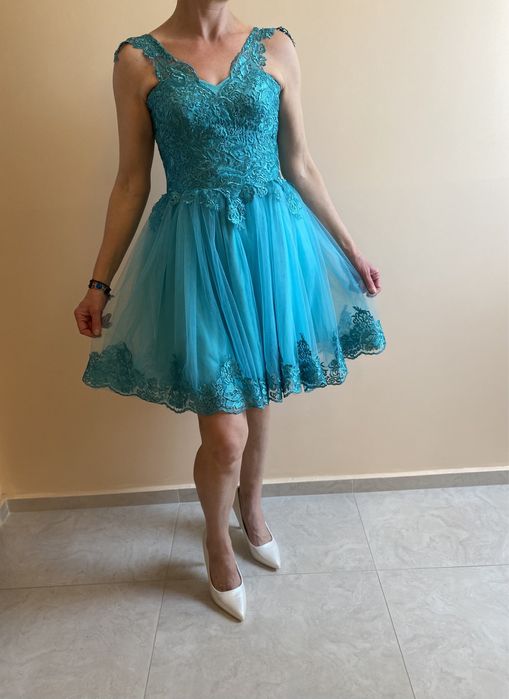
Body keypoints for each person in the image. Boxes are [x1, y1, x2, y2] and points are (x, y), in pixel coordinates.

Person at [73, 1, 387, 622]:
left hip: (271, 246)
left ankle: (253, 506)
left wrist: (351, 249)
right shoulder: (138, 58)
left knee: (262, 388)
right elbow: (132, 180)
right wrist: (98, 282)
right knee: (225, 432)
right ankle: (216, 541)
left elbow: (299, 163)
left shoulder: (276, 46)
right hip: (193, 253)